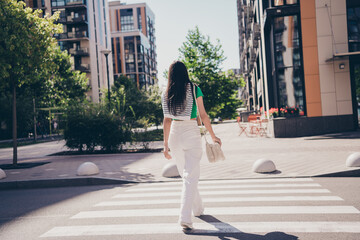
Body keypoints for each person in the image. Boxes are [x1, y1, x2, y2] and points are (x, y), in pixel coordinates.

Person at [162, 61, 222, 231]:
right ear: (185, 72)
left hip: (174, 134)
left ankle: (198, 208)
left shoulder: (166, 93)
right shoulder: (195, 89)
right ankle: (185, 217)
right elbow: (203, 115)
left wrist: (165, 145)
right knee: (190, 175)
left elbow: (166, 120)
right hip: (190, 132)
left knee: (187, 174)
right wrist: (213, 135)